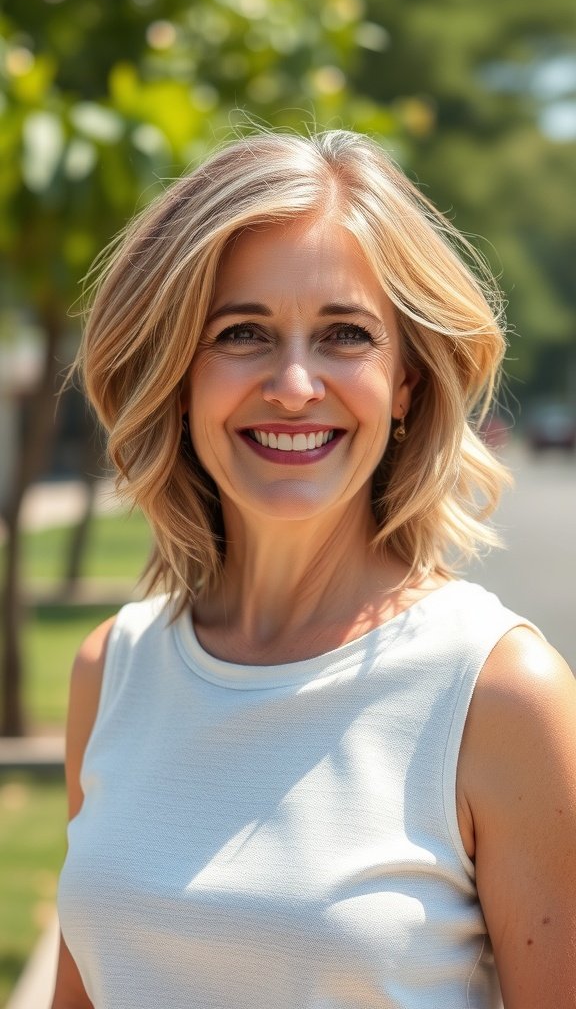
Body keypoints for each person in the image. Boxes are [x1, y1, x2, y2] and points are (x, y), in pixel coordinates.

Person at [52, 130, 576, 1009]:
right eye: (243, 333)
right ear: (179, 372)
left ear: (405, 380)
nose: (295, 384)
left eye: (344, 335)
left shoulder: (499, 693)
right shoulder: (112, 671)